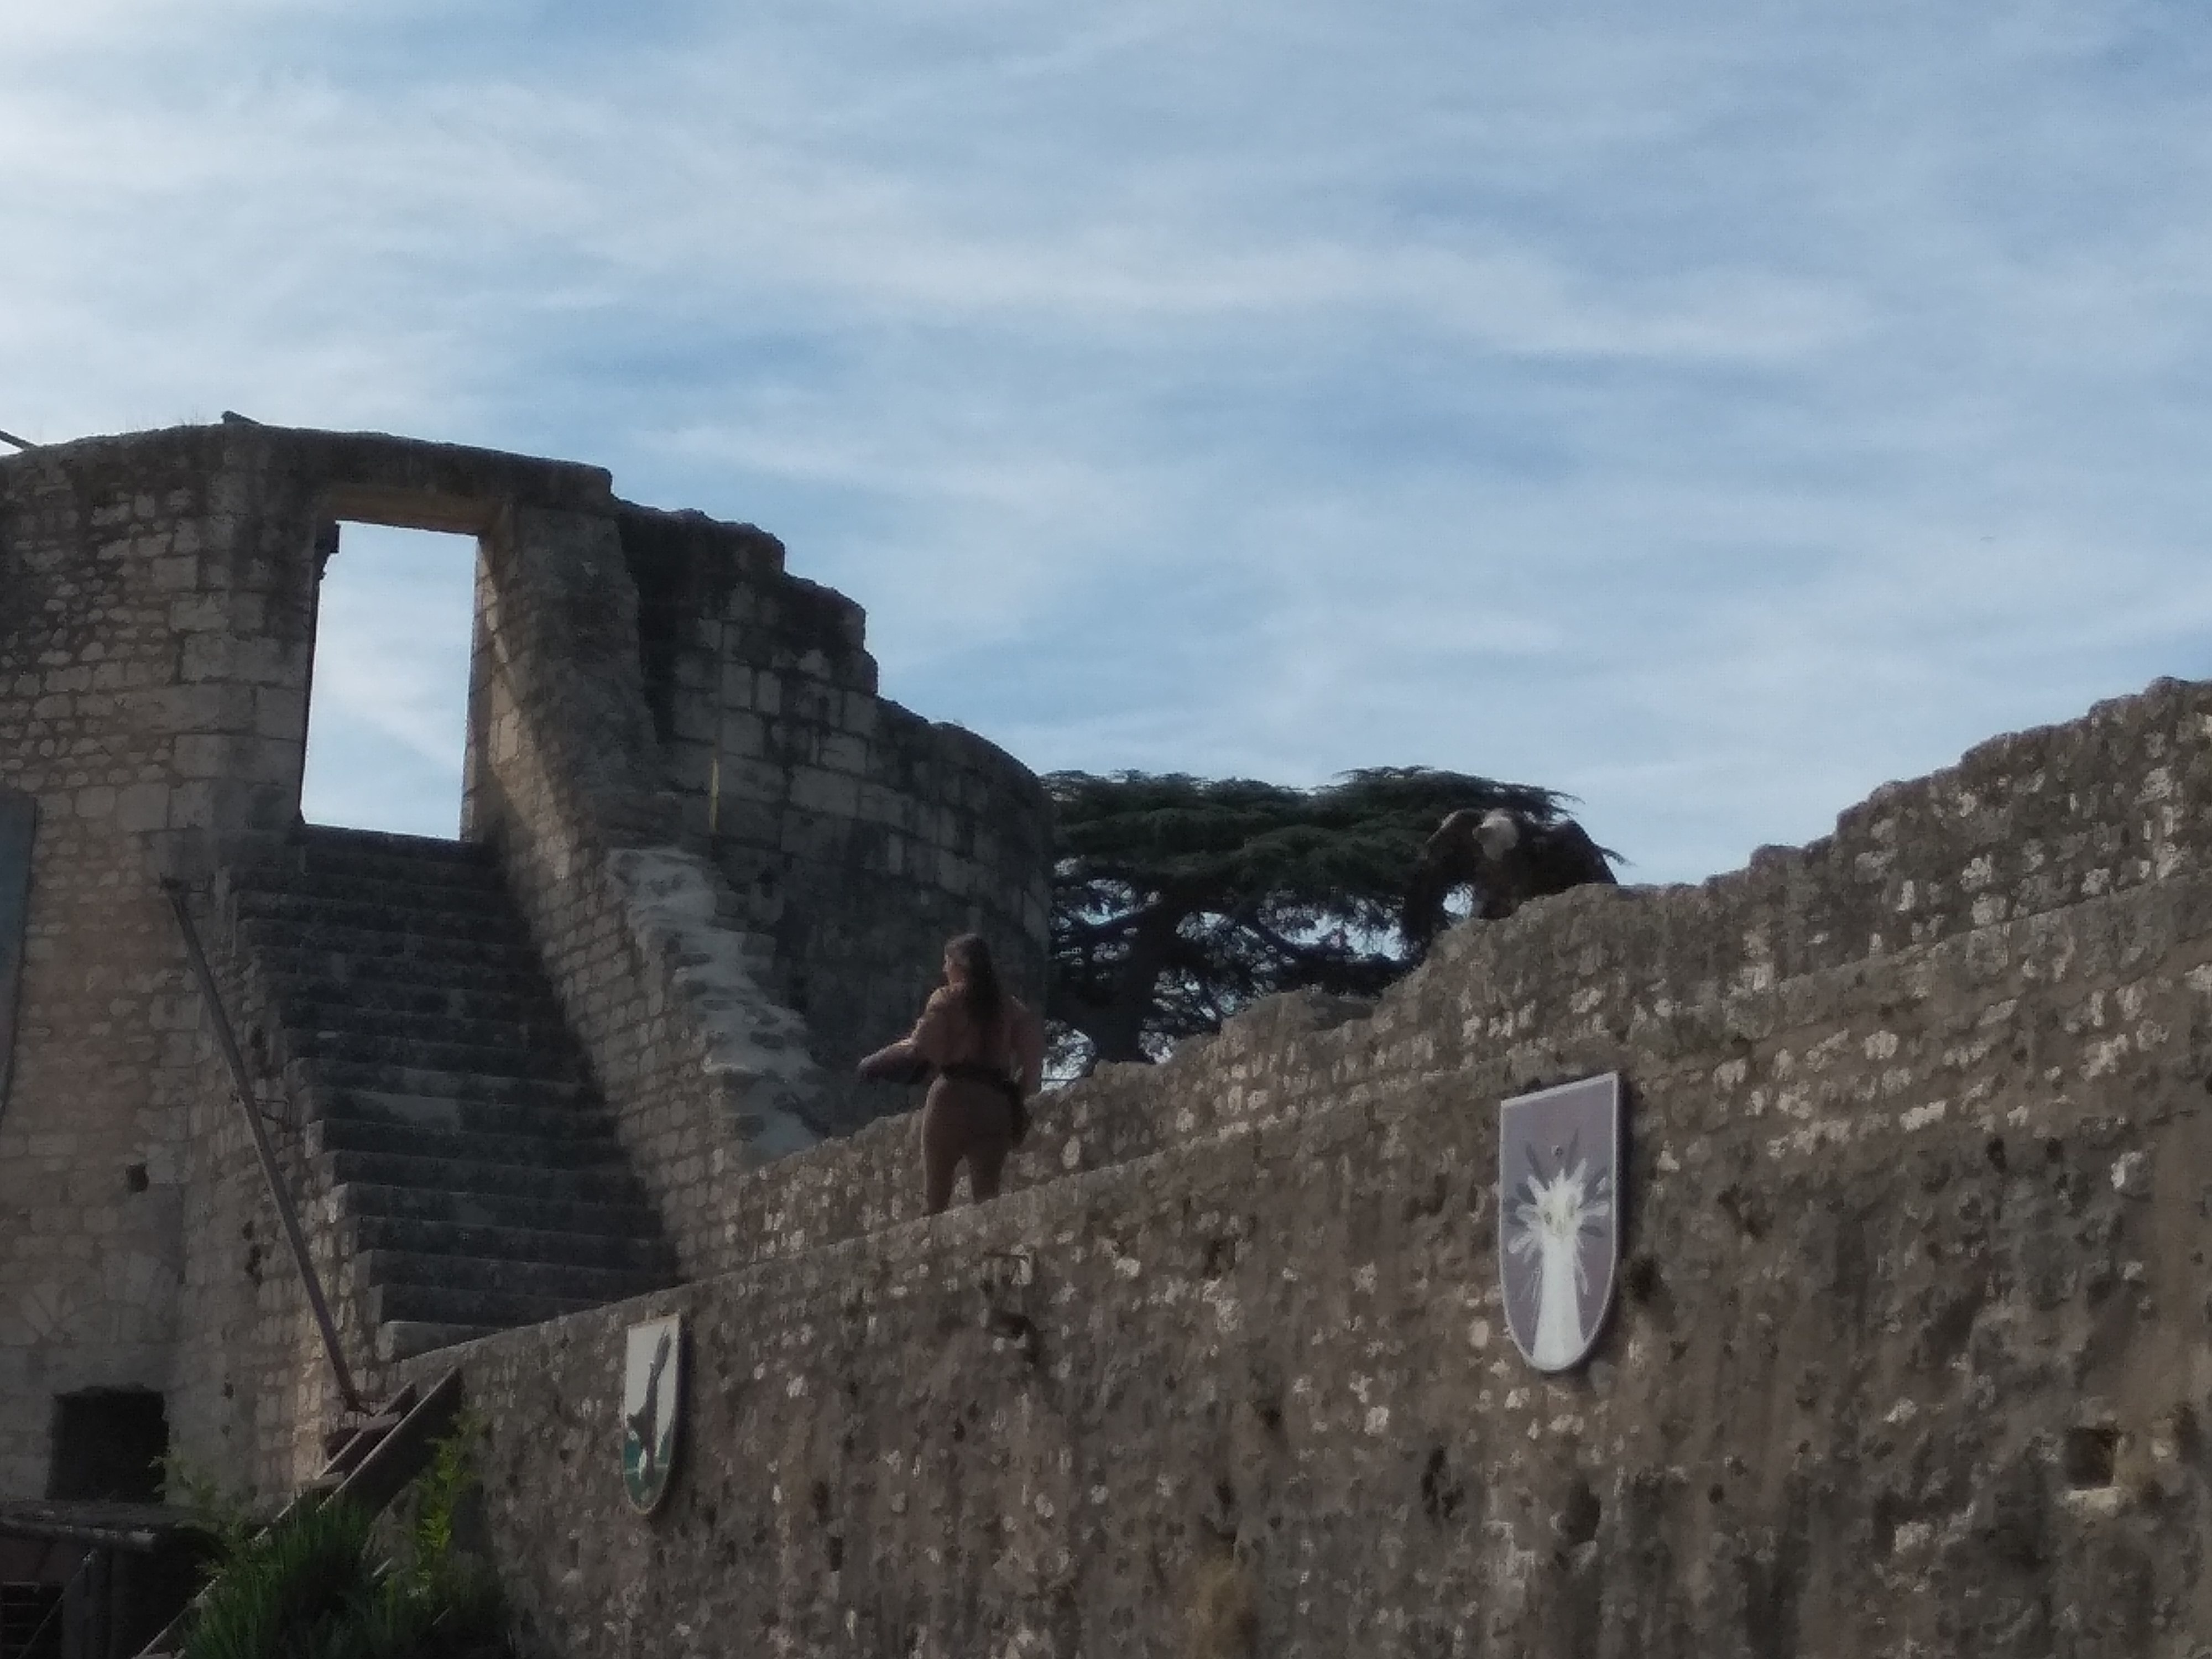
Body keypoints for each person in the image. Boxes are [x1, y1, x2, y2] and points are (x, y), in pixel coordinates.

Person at [856, 933, 1047, 1214]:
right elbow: (1032, 1059)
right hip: (995, 1104)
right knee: (987, 1200)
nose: (944, 969)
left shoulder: (946, 998)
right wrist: (1016, 1096)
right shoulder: (1012, 1008)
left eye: (947, 962)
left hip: (951, 1099)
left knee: (935, 1199)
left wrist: (874, 1063)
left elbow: (921, 1047)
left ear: (960, 965)